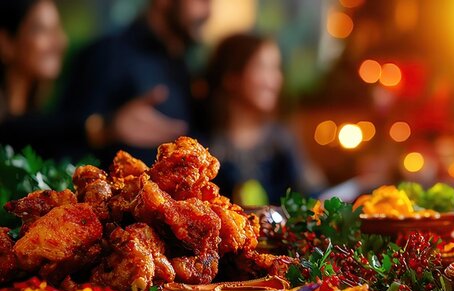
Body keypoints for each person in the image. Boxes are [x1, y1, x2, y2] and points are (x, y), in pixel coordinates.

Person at [60, 0, 210, 164]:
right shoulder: (109, 54)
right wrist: (107, 128)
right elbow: (59, 140)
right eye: (202, 1)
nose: (208, 13)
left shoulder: (182, 68)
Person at [204, 34, 327, 204]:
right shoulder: (205, 146)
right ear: (231, 76)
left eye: (276, 68)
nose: (275, 79)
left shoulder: (281, 141)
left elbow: (314, 193)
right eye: (262, 67)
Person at [0, 0, 68, 156]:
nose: (58, 41)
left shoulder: (44, 114)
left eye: (57, 29)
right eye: (41, 30)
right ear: (5, 43)